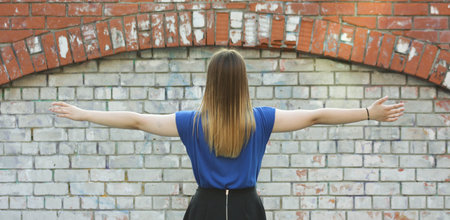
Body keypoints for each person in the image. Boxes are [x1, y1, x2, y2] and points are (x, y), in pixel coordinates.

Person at [49, 48, 405, 220]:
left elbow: (138, 120)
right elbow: (315, 116)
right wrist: (368, 113)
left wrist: (84, 114)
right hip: (247, 209)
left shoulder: (191, 122)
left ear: (211, 82)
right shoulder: (260, 119)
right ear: (243, 82)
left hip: (204, 209)